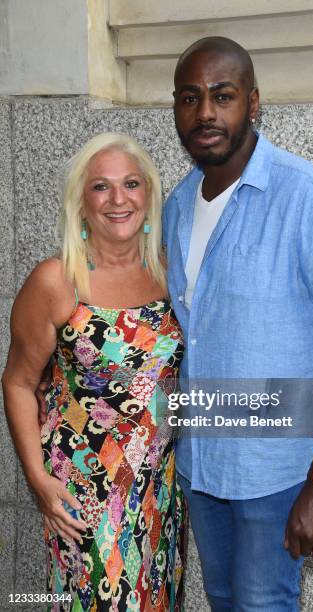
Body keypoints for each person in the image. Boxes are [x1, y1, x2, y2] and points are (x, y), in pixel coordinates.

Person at [161, 37, 313, 611]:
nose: (206, 112)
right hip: (202, 465)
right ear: (176, 109)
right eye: (191, 98)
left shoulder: (307, 195)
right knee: (223, 602)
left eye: (223, 95)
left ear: (254, 103)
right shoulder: (177, 205)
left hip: (279, 473)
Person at [2, 133, 186, 611]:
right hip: (84, 492)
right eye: (101, 187)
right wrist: (39, 480)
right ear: (81, 203)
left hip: (157, 488)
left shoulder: (171, 273)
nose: (119, 199)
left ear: (149, 194)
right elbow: (19, 382)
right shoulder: (56, 281)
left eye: (131, 183)